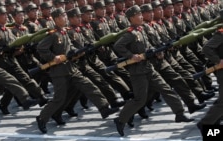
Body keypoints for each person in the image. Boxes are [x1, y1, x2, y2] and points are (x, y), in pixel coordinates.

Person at [113, 5, 194, 137]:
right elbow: (118, 46)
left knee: (166, 89)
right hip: (138, 72)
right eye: (138, 15)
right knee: (140, 99)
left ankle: (179, 113)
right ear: (131, 18)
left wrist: (157, 53)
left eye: (141, 14)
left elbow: (147, 46)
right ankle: (120, 119)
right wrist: (131, 55)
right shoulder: (130, 33)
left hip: (149, 68)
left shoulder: (141, 30)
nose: (141, 17)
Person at [35, 7, 119, 134]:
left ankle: (103, 108)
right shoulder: (53, 34)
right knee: (59, 98)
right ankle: (42, 118)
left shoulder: (64, 32)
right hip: (59, 71)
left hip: (71, 68)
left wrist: (75, 51)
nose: (66, 18)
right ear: (57, 19)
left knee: (89, 85)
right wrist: (53, 57)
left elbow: (69, 46)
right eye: (63, 16)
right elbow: (41, 48)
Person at [197, 24, 223, 133]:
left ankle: (213, 123)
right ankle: (205, 124)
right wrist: (218, 60)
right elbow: (206, 48)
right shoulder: (221, 33)